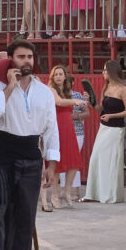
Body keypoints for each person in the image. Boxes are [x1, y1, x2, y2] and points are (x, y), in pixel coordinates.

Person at [0, 40, 59, 250]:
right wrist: (10, 86)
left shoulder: (44, 91)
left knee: (25, 218)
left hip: (31, 158)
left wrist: (51, 164)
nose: (26, 61)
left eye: (29, 57)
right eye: (21, 57)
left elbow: (52, 128)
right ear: (11, 60)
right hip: (3, 155)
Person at [83, 60, 126, 204]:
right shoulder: (106, 87)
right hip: (103, 128)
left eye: (104, 70)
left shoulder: (123, 89)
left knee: (110, 161)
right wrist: (92, 103)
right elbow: (101, 110)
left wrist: (112, 116)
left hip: (115, 129)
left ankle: (109, 194)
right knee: (96, 158)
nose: (103, 73)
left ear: (111, 71)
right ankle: (95, 193)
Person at [46, 65, 86, 209]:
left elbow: (83, 110)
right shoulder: (50, 90)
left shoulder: (67, 91)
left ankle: (66, 190)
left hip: (68, 127)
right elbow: (59, 102)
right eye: (55, 74)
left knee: (74, 160)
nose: (58, 76)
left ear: (64, 76)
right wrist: (74, 101)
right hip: (56, 127)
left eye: (60, 74)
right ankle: (54, 195)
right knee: (57, 162)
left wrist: (82, 101)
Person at [59, 74, 90, 201]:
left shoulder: (78, 96)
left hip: (77, 131)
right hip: (61, 131)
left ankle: (75, 190)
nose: (67, 84)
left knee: (74, 161)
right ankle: (64, 189)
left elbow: (87, 113)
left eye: (69, 82)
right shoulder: (58, 95)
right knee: (61, 160)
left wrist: (76, 116)